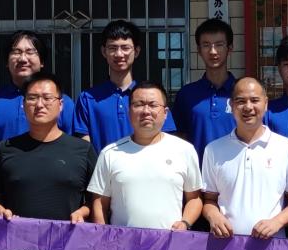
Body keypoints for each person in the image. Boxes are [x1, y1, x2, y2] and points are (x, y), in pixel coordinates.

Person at [0, 70, 96, 224]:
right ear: (23, 104)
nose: (39, 105)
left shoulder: (83, 150)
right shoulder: (6, 148)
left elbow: (97, 200)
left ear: (61, 105)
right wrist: (1, 211)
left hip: (67, 237)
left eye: (47, 98)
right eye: (32, 98)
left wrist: (82, 212)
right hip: (19, 237)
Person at [87, 82, 203, 230]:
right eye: (139, 104)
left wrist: (185, 222)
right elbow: (99, 203)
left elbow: (195, 198)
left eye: (153, 105)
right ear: (129, 111)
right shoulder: (110, 153)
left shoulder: (184, 150)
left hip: (170, 241)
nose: (146, 111)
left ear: (165, 113)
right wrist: (103, 236)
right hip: (123, 242)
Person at [200, 76, 288, 239]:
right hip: (226, 245)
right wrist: (214, 216)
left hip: (272, 246)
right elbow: (209, 200)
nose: (248, 107)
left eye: (254, 100)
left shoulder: (286, 148)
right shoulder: (213, 150)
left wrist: (277, 222)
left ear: (265, 104)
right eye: (240, 101)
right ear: (231, 105)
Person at [0, 30, 82, 164]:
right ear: (6, 61)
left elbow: (73, 149)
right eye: (16, 52)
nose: (23, 58)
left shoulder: (61, 102)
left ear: (42, 61)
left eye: (30, 52)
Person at [78, 19, 176, 150]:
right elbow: (84, 146)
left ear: (137, 51)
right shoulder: (88, 98)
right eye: (112, 48)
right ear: (103, 51)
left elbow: (165, 140)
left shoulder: (151, 97)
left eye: (125, 48)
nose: (119, 54)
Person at [174, 18, 238, 158]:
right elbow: (179, 139)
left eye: (219, 45)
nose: (213, 51)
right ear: (198, 50)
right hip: (197, 170)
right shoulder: (186, 94)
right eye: (206, 45)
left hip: (237, 170)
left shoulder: (242, 93)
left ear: (230, 48)